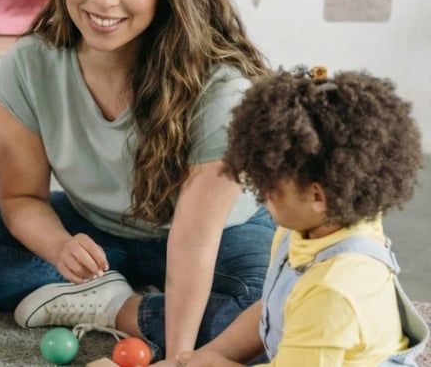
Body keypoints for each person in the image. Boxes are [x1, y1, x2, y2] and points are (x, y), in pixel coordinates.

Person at [0, 0, 275, 363]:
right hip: (99, 232)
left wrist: (180, 358)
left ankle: (114, 306)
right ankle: (112, 294)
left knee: (271, 314)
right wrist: (60, 246)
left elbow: (192, 242)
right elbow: (21, 197)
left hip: (220, 236)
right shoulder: (31, 64)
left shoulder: (221, 87)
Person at [175, 67, 429, 366]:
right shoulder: (309, 226)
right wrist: (208, 356)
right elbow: (271, 309)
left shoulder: (334, 292)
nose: (258, 190)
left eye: (269, 184)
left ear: (317, 196)